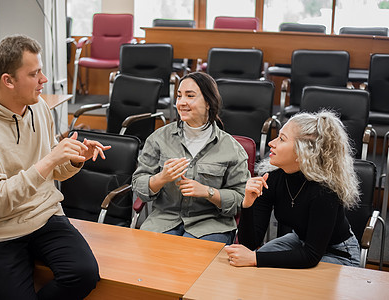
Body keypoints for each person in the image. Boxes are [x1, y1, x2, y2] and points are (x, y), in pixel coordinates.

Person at [0, 34, 110, 299]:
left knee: (84, 274)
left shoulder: (39, 109)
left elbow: (53, 169)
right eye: (34, 73)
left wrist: (72, 159)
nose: (44, 80)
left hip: (43, 215)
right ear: (8, 81)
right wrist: (49, 160)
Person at [224, 110, 361, 268]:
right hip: (301, 242)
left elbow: (311, 256)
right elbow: (249, 245)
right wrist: (247, 204)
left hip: (340, 254)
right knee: (251, 265)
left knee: (272, 272)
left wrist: (256, 259)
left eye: (281, 139)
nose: (271, 143)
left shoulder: (325, 190)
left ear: (301, 152)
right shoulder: (272, 178)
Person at [132, 72, 249, 244]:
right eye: (179, 96)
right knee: (150, 261)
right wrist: (160, 178)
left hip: (210, 225)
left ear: (209, 103)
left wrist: (208, 192)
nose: (181, 102)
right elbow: (138, 183)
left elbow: (241, 200)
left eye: (190, 96)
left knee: (188, 261)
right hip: (164, 222)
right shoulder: (159, 138)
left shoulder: (231, 148)